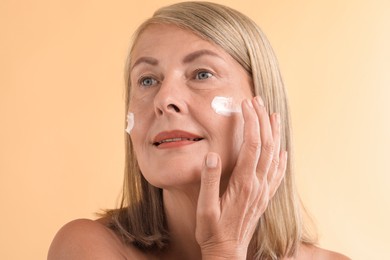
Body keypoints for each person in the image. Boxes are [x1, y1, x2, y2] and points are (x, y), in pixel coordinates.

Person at [48, 2, 350, 259]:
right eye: (147, 80)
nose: (164, 100)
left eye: (201, 74)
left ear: (263, 104)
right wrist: (223, 250)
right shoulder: (87, 247)